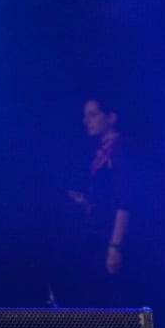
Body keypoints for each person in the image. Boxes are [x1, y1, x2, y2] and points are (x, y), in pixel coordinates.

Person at [54, 97, 135, 307]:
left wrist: (114, 247)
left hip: (113, 240)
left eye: (93, 115)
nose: (86, 121)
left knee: (111, 301)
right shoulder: (100, 151)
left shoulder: (121, 150)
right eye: (85, 116)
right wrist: (84, 202)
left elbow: (125, 201)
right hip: (98, 236)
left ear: (111, 117)